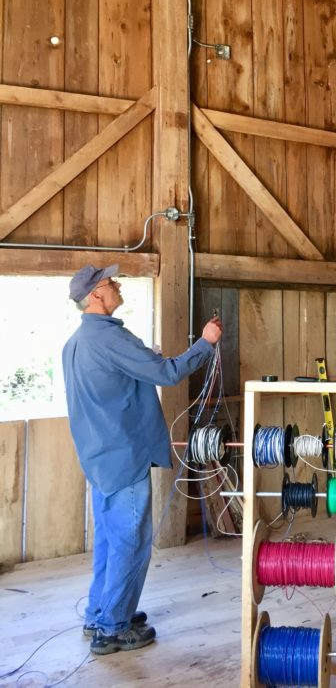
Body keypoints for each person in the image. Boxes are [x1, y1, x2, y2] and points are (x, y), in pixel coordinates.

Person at [62, 264, 223, 655]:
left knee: (110, 540)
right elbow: (167, 374)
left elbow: (112, 387)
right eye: (109, 282)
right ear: (96, 296)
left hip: (100, 458)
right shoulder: (110, 340)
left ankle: (101, 612)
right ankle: (113, 628)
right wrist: (206, 343)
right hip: (123, 457)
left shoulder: (77, 342)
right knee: (131, 543)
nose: (117, 284)